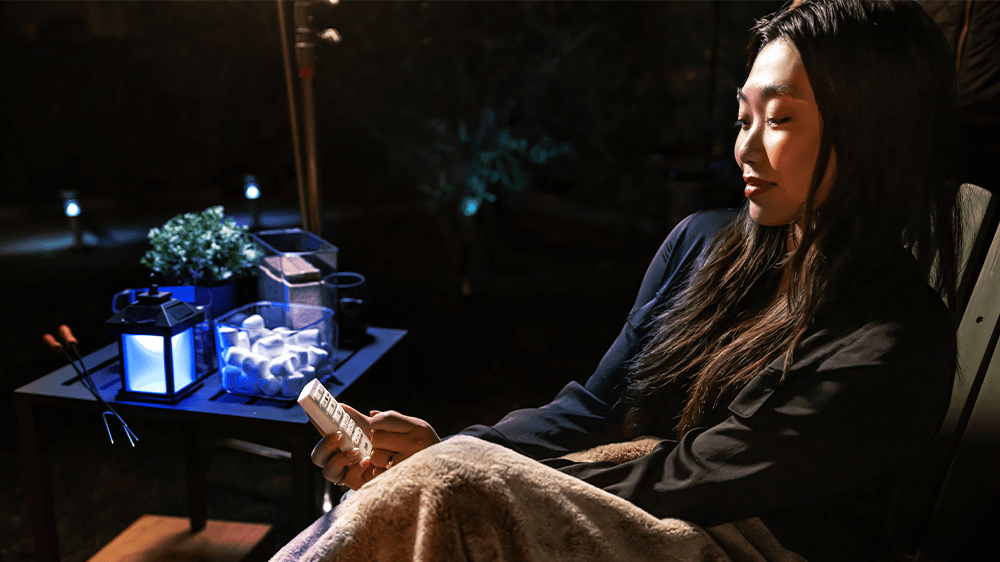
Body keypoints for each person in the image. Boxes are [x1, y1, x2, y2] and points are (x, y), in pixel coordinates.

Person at [289, 1, 963, 560]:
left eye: (780, 119)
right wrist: (455, 447)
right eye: (744, 118)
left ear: (871, 132)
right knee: (436, 483)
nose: (746, 147)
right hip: (637, 496)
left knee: (448, 488)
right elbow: (592, 410)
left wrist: (474, 471)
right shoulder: (703, 245)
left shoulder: (894, 343)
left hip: (738, 539)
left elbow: (694, 479)